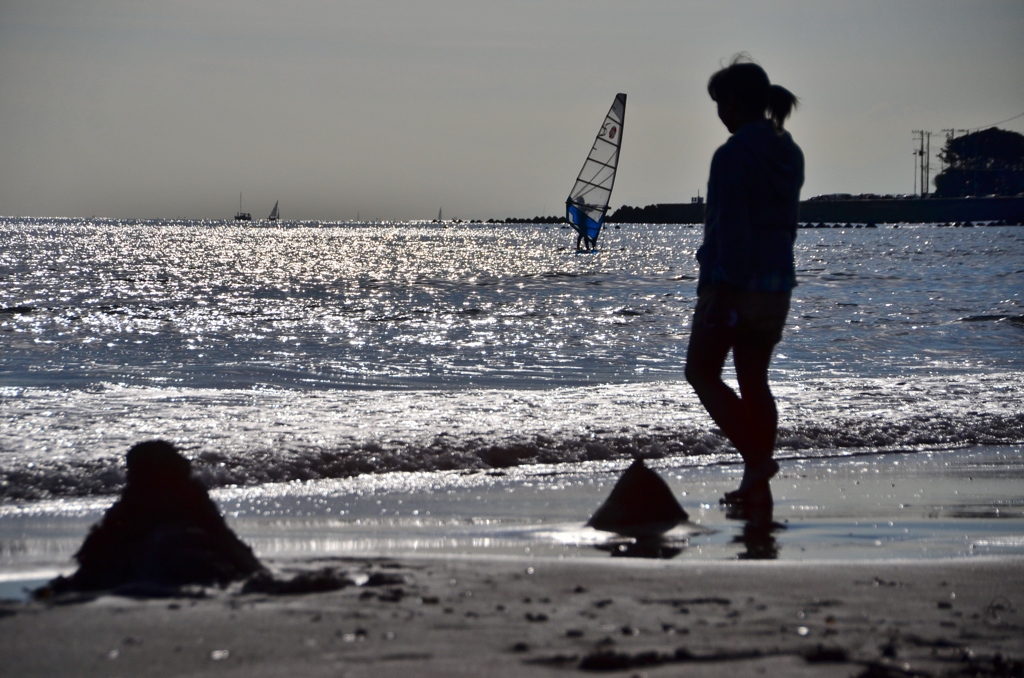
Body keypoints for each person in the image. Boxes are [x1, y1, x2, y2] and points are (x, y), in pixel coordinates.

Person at [684, 56, 803, 507]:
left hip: (735, 285)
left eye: (719, 102)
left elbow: (731, 227)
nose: (718, 113)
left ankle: (756, 459)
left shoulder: (732, 154)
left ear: (734, 103)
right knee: (755, 381)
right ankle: (758, 485)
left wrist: (723, 291)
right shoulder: (789, 151)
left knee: (700, 371)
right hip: (777, 286)